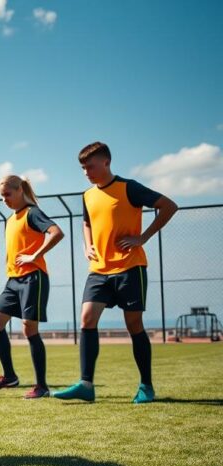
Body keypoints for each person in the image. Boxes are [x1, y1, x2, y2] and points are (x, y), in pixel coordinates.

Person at [55, 142, 177, 403]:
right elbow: (86, 222)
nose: (86, 172)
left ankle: (146, 386)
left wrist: (142, 237)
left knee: (133, 324)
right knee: (87, 319)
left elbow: (169, 206)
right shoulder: (87, 195)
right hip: (99, 270)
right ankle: (86, 385)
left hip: (130, 267)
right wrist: (88, 246)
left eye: (90, 166)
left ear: (106, 162)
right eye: (83, 168)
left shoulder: (129, 187)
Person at [0, 175, 64, 398]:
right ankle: (9, 376)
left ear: (20, 191)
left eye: (8, 194)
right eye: (1, 196)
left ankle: (42, 386)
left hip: (33, 278)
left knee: (29, 328)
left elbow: (57, 233)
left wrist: (34, 256)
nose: (4, 199)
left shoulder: (32, 213)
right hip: (13, 280)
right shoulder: (10, 219)